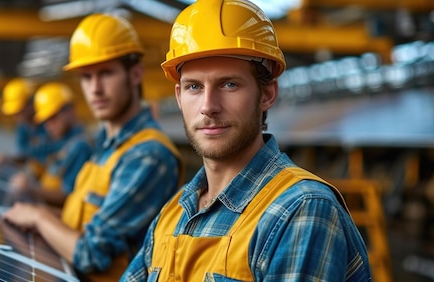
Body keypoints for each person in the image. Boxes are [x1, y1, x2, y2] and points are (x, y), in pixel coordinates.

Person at [122, 0, 373, 281]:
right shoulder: (173, 212)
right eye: (195, 87)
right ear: (179, 97)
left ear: (266, 94)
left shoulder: (302, 210)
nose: (208, 106)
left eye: (229, 84)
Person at [1, 13, 184, 281]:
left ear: (135, 74)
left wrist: (40, 217)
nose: (95, 89)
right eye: (86, 77)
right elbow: (83, 218)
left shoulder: (148, 155)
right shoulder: (107, 145)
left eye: (106, 73)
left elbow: (93, 255)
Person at [7, 81, 92, 206]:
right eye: (45, 121)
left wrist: (29, 188)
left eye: (52, 118)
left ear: (70, 110)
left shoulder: (80, 146)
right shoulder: (62, 141)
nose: (48, 126)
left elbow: (67, 195)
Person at [0, 77, 58, 179]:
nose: (16, 117)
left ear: (31, 103)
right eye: (13, 113)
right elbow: (23, 157)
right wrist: (7, 160)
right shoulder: (23, 127)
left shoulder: (51, 122)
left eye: (19, 111)